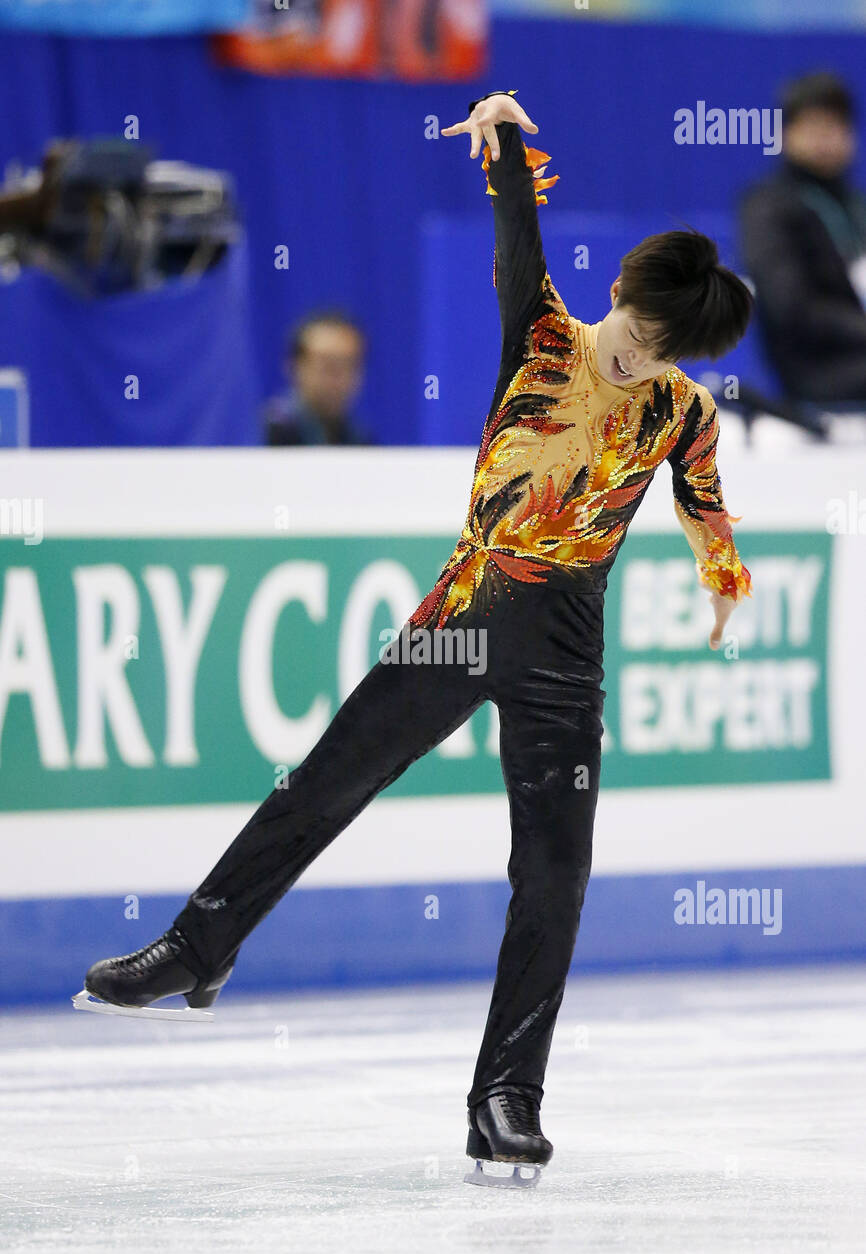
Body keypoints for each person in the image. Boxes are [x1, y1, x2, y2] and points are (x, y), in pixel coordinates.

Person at [80, 91, 752, 1182]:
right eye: (635, 335)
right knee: (325, 782)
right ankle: (197, 945)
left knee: (553, 872)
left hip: (563, 662)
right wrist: (501, 138)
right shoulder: (540, 331)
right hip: (458, 624)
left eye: (661, 353)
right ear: (617, 295)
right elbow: (515, 227)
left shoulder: (682, 412)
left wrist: (719, 568)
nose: (636, 362)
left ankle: (504, 1095)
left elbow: (704, 497)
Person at [739, 71, 866, 403]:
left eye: (834, 126)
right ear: (786, 133)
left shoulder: (857, 206)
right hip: (818, 370)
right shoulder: (767, 207)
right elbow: (792, 309)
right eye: (813, 127)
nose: (825, 138)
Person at [263, 310, 374, 445]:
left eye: (348, 365)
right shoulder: (266, 435)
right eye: (327, 365)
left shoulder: (361, 441)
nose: (338, 377)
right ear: (295, 366)